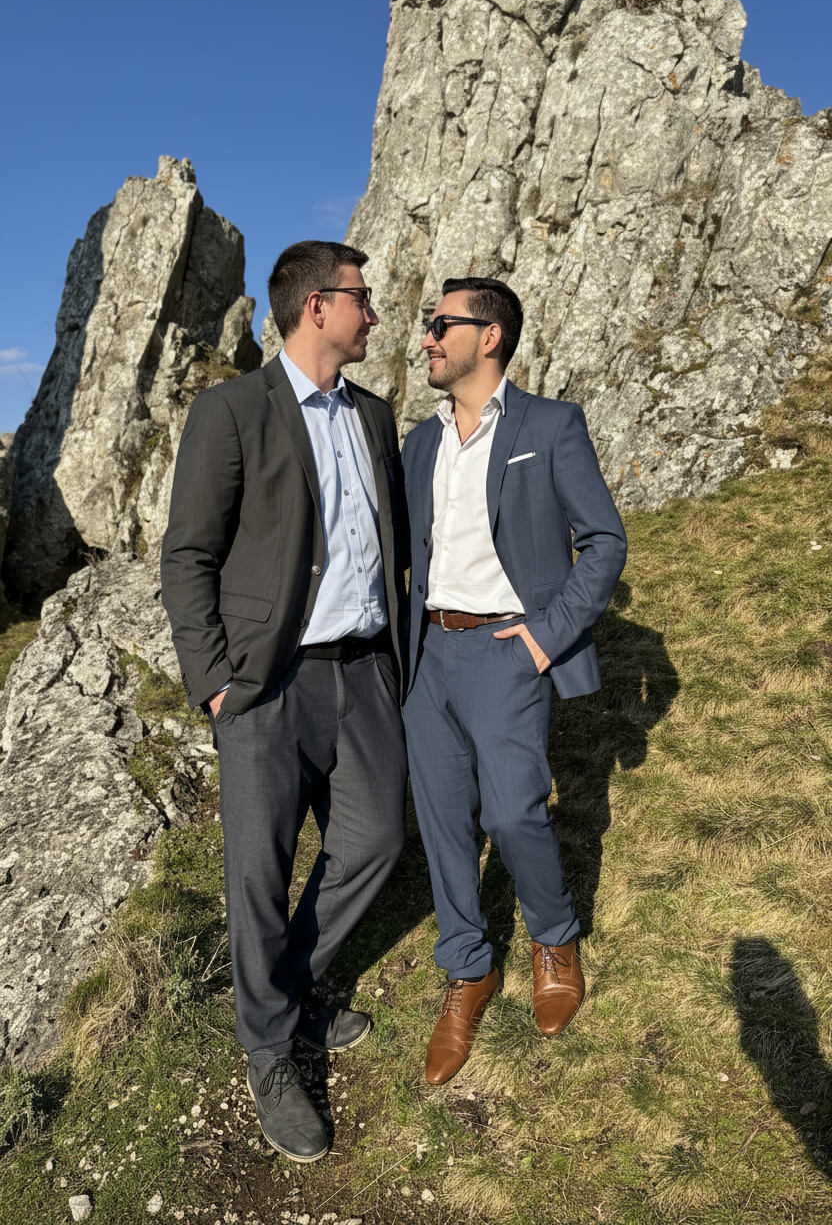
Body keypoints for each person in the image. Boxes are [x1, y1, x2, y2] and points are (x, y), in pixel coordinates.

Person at [160, 241, 408, 1161]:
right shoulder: (231, 411)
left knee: (377, 840)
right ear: (316, 307)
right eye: (362, 299)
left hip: (366, 671)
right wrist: (215, 680)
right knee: (258, 874)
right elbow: (187, 554)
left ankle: (292, 993)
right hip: (268, 684)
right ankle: (269, 1048)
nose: (373, 313)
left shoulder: (375, 417)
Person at [401, 276, 627, 1084]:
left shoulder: (551, 425)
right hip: (428, 655)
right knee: (444, 822)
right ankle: (469, 969)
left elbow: (604, 542)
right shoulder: (419, 442)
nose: (426, 338)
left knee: (513, 810)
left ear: (487, 336)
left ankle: (554, 936)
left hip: (507, 649)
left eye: (440, 324)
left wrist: (543, 640)